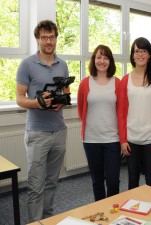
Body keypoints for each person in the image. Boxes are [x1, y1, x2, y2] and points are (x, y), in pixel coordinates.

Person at [16, 20, 69, 222]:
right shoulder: (27, 64)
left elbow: (66, 93)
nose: (48, 41)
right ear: (37, 39)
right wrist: (36, 103)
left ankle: (47, 220)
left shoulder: (62, 65)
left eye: (52, 37)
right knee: (36, 186)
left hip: (59, 131)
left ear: (56, 38)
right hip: (37, 133)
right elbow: (19, 97)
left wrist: (60, 103)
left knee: (51, 184)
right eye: (44, 37)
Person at [118, 37, 151, 190]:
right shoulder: (125, 80)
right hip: (131, 139)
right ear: (132, 55)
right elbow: (121, 113)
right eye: (137, 51)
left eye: (144, 51)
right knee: (132, 180)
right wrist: (123, 140)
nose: (140, 54)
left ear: (149, 55)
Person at [77, 45, 121, 201]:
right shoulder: (85, 83)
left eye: (106, 57)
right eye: (99, 57)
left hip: (113, 140)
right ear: (94, 60)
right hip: (91, 140)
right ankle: (101, 215)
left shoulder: (118, 83)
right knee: (97, 182)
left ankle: (113, 213)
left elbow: (121, 112)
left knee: (113, 182)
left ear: (110, 61)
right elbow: (81, 109)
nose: (102, 61)